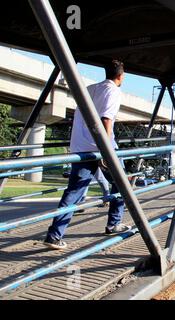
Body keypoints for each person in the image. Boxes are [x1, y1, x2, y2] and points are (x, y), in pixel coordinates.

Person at [44, 60, 131, 250]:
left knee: (73, 192)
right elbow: (106, 119)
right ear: (120, 76)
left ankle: (54, 235)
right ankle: (114, 223)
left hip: (82, 147)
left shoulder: (90, 89)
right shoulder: (114, 91)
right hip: (101, 147)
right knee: (122, 184)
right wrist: (107, 151)